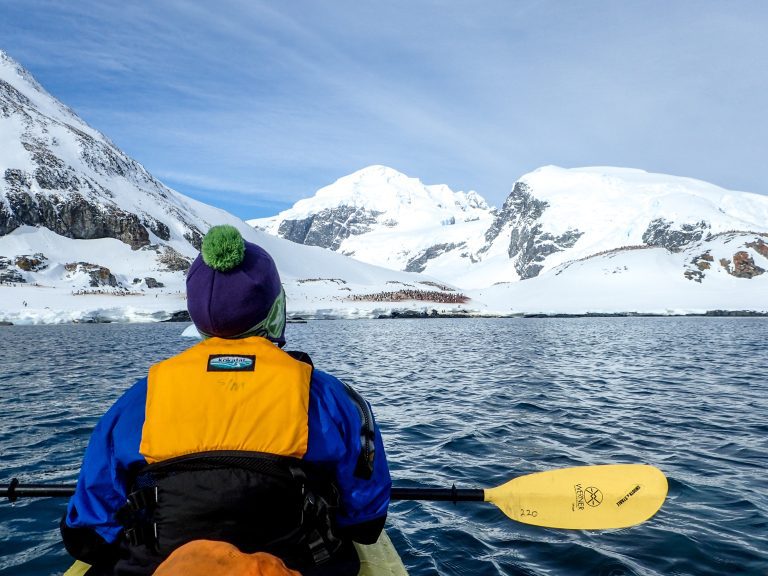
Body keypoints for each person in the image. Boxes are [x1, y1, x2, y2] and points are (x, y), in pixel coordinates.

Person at [60, 225, 391, 576]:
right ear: (276, 309)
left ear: (196, 315)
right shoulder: (333, 399)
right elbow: (365, 525)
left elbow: (87, 537)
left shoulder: (137, 401)